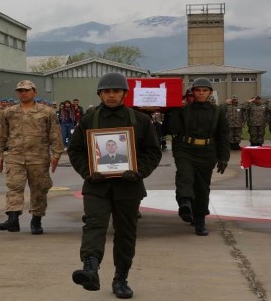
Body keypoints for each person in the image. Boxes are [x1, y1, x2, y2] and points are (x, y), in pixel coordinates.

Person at [67, 72, 162, 298]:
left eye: (116, 91)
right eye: (106, 91)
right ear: (100, 94)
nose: (111, 95)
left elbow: (152, 151)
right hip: (96, 186)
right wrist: (88, 172)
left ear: (124, 93)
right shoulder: (89, 119)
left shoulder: (139, 120)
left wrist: (139, 172)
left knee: (125, 234)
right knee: (94, 224)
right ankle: (90, 268)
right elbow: (76, 150)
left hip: (129, 187)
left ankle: (121, 278)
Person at [0, 80, 64, 235]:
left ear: (34, 92)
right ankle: (13, 219)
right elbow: (1, 134)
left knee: (39, 190)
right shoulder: (9, 112)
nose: (23, 93)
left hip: (38, 158)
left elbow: (55, 134)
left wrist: (56, 155)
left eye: (26, 90)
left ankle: (36, 220)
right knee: (14, 186)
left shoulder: (47, 112)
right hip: (15, 157)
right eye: (20, 91)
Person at [167, 78, 230, 236]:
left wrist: (224, 157)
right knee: (185, 176)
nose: (201, 93)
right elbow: (171, 129)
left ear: (210, 92)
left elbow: (223, 135)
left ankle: (199, 220)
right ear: (192, 93)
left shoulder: (218, 111)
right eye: (198, 90)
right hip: (185, 149)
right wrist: (173, 109)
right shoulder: (184, 110)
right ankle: (185, 204)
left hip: (207, 151)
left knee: (202, 187)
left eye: (204, 90)